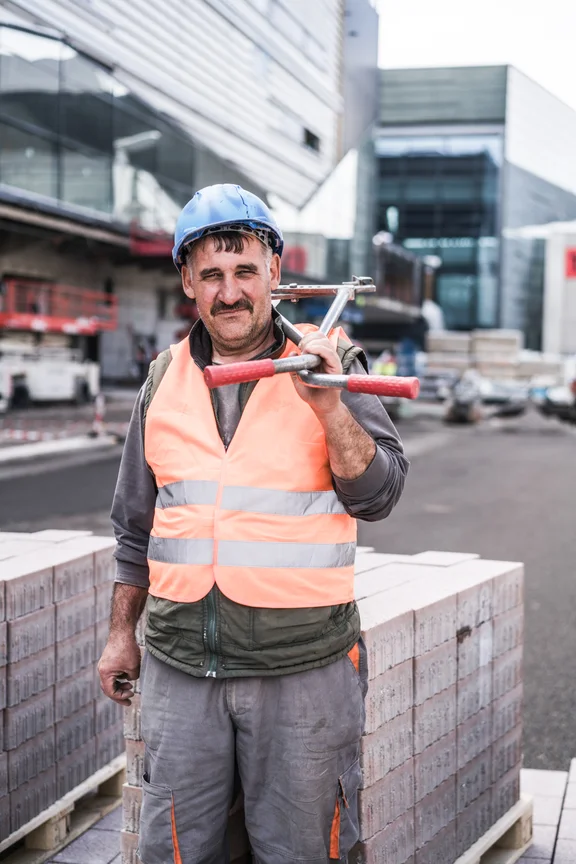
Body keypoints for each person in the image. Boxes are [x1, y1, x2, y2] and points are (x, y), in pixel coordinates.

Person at [99, 184, 409, 864]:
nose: (230, 292)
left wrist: (329, 409)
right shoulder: (162, 381)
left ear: (274, 270)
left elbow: (380, 493)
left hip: (301, 671)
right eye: (211, 274)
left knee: (301, 851)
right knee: (177, 851)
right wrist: (122, 635)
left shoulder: (330, 362)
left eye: (244, 271)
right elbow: (134, 527)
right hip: (180, 670)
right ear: (187, 280)